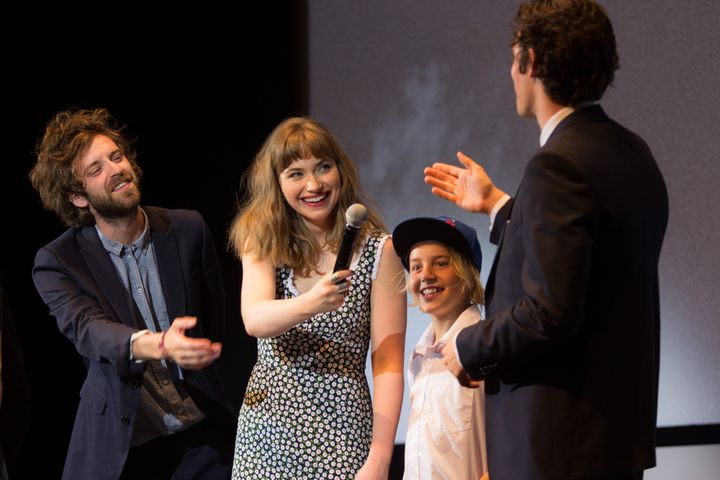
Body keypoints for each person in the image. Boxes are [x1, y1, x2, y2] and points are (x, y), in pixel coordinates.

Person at [424, 1, 669, 479]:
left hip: (559, 445)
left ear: (531, 61)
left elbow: (550, 312)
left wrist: (470, 345)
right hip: (609, 437)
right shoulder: (631, 152)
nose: (510, 68)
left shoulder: (557, 165)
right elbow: (586, 263)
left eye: (514, 52)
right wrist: (498, 204)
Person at [30, 108, 236, 479]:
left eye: (116, 157)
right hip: (127, 447)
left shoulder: (187, 228)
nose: (115, 169)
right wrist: (159, 344)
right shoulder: (59, 262)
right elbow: (89, 331)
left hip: (205, 432)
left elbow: (217, 317)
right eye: (96, 170)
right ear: (78, 197)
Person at [229, 116, 406, 479]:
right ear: (277, 184)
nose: (313, 184)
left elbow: (388, 365)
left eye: (323, 167)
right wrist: (313, 302)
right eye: (296, 173)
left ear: (340, 171)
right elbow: (255, 320)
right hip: (267, 435)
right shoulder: (263, 241)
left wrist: (380, 457)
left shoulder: (378, 251)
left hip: (342, 434)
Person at [392, 216, 488, 480]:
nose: (426, 276)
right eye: (416, 267)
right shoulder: (419, 359)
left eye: (441, 263)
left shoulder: (486, 348)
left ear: (467, 272)